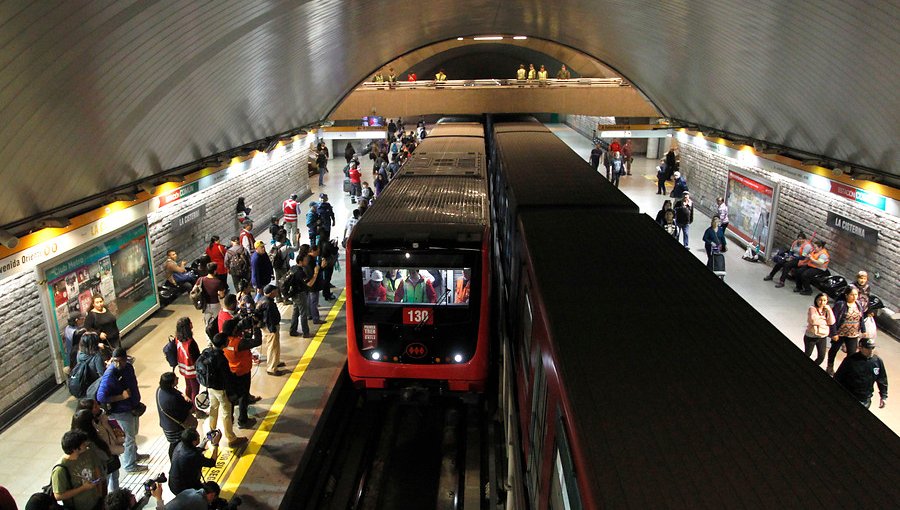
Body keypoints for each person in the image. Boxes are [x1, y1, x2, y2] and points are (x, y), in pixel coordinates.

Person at [96, 347, 147, 473]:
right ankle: (130, 465)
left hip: (132, 407)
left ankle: (135, 455)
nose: (117, 364)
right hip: (121, 411)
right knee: (128, 438)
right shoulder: (110, 374)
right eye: (115, 361)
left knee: (133, 433)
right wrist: (121, 397)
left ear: (125, 359)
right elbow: (101, 396)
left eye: (120, 361)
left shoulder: (128, 367)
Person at [204, 332, 247, 448]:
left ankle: (211, 431)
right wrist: (232, 390)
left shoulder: (208, 352)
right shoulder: (221, 358)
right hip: (221, 389)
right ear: (224, 344)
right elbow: (226, 377)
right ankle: (231, 438)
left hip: (210, 387)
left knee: (213, 408)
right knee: (226, 413)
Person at [76, 398, 125, 493]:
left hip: (112, 452)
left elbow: (109, 432)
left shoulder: (102, 417)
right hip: (103, 459)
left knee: (115, 476)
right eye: (95, 406)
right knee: (105, 481)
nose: (98, 407)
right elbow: (99, 445)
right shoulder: (89, 429)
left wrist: (117, 438)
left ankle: (116, 494)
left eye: (97, 404)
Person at [221, 317, 261, 429]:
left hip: (231, 372)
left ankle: (231, 419)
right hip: (242, 371)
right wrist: (256, 327)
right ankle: (243, 421)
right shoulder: (238, 343)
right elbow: (257, 341)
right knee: (243, 395)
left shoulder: (223, 341)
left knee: (234, 397)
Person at [50, 430, 105, 510]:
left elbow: (96, 470)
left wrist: (100, 493)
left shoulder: (88, 453)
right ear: (75, 449)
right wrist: (83, 488)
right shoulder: (60, 469)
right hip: (78, 507)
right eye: (83, 444)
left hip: (96, 501)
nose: (86, 445)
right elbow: (58, 496)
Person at [71, 409, 115, 493]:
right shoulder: (90, 442)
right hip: (96, 476)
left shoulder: (74, 440)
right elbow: (103, 456)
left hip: (90, 477)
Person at [834, 338, 888, 409]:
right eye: (868, 348)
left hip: (865, 400)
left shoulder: (877, 361)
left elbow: (882, 379)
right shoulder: (851, 360)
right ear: (860, 348)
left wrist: (883, 396)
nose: (871, 350)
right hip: (848, 397)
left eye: (873, 348)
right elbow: (838, 377)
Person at [826, 285, 866, 376]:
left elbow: (861, 318)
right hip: (840, 333)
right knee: (834, 350)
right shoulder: (840, 304)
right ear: (846, 295)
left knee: (851, 354)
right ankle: (830, 366)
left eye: (856, 295)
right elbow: (833, 319)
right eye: (852, 294)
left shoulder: (858, 304)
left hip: (853, 334)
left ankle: (845, 371)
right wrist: (834, 333)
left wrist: (863, 330)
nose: (854, 297)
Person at [169, 428, 220, 496]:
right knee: (214, 490)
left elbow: (195, 449)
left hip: (174, 484)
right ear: (194, 442)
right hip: (184, 489)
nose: (199, 437)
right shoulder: (193, 456)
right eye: (198, 437)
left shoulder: (180, 445)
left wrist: (206, 439)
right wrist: (216, 444)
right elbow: (212, 462)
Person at [156, 372, 194, 460]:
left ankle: (174, 460)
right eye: (176, 378)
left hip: (166, 424)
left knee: (174, 445)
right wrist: (188, 401)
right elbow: (185, 409)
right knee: (179, 445)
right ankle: (177, 461)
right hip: (175, 427)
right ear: (171, 383)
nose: (178, 379)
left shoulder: (160, 390)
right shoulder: (172, 398)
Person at [257, 284, 285, 376]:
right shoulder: (268, 303)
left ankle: (276, 362)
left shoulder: (262, 299)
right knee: (272, 347)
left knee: (275, 345)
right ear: (272, 292)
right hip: (270, 328)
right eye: (276, 291)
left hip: (268, 327)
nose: (277, 293)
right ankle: (272, 368)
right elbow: (268, 318)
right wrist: (272, 329)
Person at [804, 293, 835, 366]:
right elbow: (813, 321)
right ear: (816, 300)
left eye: (824, 300)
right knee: (808, 354)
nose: (822, 302)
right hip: (811, 336)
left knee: (821, 357)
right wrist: (824, 320)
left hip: (822, 337)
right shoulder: (812, 308)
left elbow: (831, 322)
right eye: (820, 300)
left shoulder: (827, 310)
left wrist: (829, 311)